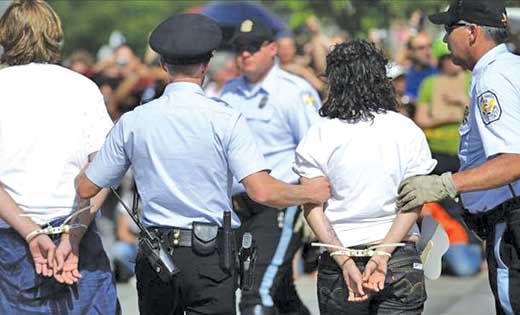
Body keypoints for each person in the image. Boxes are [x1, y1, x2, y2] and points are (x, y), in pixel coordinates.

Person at [75, 14, 330, 315]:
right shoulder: (225, 117)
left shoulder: (134, 121)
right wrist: (311, 193)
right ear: (206, 66)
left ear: (163, 65)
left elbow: (87, 186)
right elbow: (261, 191)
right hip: (209, 256)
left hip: (157, 256)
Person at [294, 39, 436, 315]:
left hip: (339, 258)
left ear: (335, 81)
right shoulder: (406, 130)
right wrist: (383, 253)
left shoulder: (319, 133)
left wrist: (344, 261)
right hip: (399, 256)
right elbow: (414, 202)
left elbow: (312, 206)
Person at [397, 1, 520, 314]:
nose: (444, 39)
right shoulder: (509, 68)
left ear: (472, 32)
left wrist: (446, 184)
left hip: (513, 219)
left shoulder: (494, 79)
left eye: (449, 29)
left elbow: (514, 161)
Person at [0, 0, 118, 314]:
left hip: (11, 233)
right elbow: (105, 167)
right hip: (75, 224)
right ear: (55, 35)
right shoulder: (82, 87)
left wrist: (30, 231)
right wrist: (74, 233)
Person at [220, 19, 321, 315]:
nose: (245, 55)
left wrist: (312, 202)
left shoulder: (293, 92)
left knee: (255, 293)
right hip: (239, 207)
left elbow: (315, 149)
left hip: (279, 204)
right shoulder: (228, 92)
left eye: (252, 47)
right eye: (239, 48)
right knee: (280, 291)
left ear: (273, 49)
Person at [405, 32, 438, 101]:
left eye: (430, 46)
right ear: (410, 52)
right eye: (421, 48)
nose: (427, 52)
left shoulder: (440, 73)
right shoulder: (404, 77)